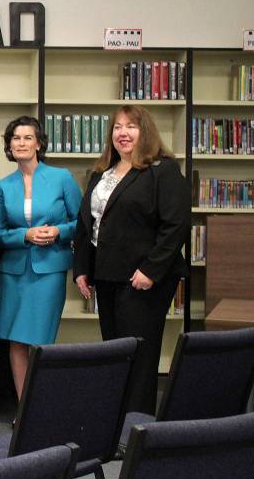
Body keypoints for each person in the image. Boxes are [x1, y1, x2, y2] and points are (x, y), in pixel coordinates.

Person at [73, 104, 189, 415]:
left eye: (131, 127)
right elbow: (87, 224)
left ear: (145, 131)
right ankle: (116, 423)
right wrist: (82, 268)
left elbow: (176, 226)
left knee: (139, 353)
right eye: (117, 127)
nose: (123, 133)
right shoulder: (102, 173)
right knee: (116, 351)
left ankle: (136, 426)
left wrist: (150, 270)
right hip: (107, 275)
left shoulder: (162, 170)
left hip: (143, 279)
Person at [0, 116, 82, 400]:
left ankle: (43, 404)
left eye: (27, 137)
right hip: (14, 273)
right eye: (15, 138)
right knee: (16, 341)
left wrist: (58, 231)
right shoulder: (4, 185)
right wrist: (25, 236)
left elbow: (82, 223)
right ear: (9, 145)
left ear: (39, 143)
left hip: (49, 271)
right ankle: (23, 406)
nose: (21, 143)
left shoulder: (61, 177)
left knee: (41, 341)